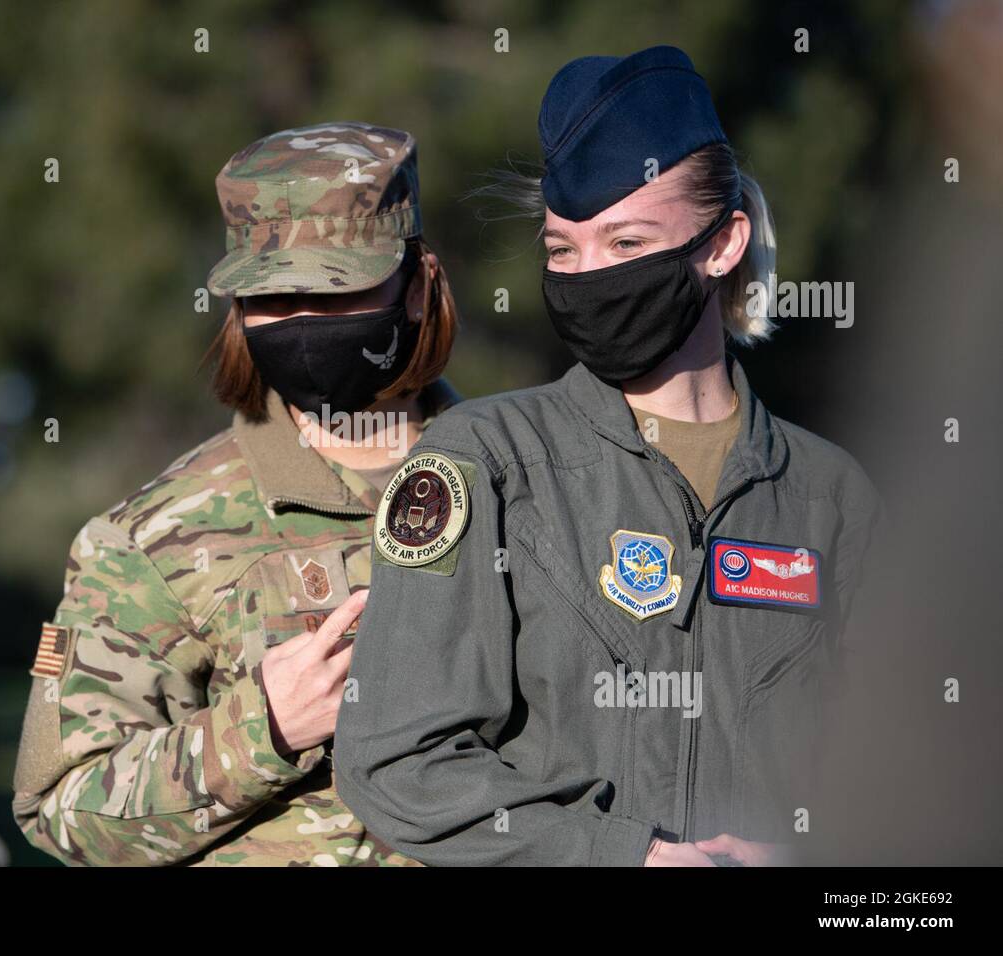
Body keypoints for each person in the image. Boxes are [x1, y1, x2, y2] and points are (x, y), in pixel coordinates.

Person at [334, 47, 880, 866]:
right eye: (562, 251)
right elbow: (394, 761)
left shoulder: (830, 496)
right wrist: (624, 855)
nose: (588, 277)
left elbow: (903, 781)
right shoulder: (484, 462)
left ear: (722, 244)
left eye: (625, 244)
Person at [11, 122, 459, 865]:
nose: (306, 321)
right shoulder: (147, 539)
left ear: (416, 288)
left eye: (337, 286)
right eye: (274, 295)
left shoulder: (523, 479)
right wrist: (262, 729)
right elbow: (59, 809)